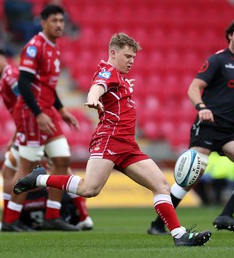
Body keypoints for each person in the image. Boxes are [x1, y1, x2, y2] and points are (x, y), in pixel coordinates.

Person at [14, 32, 212, 246]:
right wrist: (93, 99)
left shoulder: (119, 77)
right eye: (127, 56)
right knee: (89, 189)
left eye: (133, 58)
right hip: (110, 139)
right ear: (113, 53)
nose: (131, 61)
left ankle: (179, 235)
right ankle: (39, 179)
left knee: (162, 186)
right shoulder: (108, 72)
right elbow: (96, 88)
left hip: (128, 145)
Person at [147, 18, 234, 234]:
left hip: (232, 130)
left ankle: (225, 215)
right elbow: (194, 87)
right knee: (190, 178)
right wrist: (201, 107)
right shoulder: (218, 60)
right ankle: (157, 224)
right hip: (209, 125)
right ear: (230, 35)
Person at [2, 5, 87, 232]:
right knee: (27, 167)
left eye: (61, 21)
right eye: (54, 21)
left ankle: (52, 215)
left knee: (62, 160)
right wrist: (38, 114)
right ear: (43, 22)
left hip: (48, 112)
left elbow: (48, 86)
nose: (59, 25)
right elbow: (23, 83)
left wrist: (62, 110)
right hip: (32, 114)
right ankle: (9, 220)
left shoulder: (54, 48)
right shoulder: (34, 47)